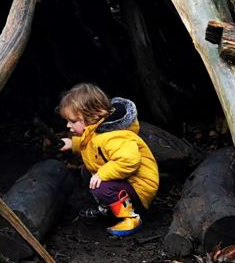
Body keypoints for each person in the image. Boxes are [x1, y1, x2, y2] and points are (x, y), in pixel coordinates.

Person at [57, 83, 159, 238]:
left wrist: (102, 174)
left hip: (140, 185)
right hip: (127, 180)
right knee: (88, 174)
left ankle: (130, 218)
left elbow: (129, 160)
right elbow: (92, 146)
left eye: (73, 121)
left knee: (101, 185)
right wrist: (73, 144)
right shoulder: (98, 130)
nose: (68, 125)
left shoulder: (114, 135)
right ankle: (108, 207)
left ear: (92, 116)